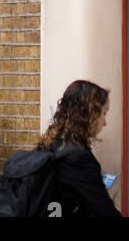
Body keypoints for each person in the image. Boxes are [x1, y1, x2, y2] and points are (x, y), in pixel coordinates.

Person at [36, 79, 121, 217]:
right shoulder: (77, 158)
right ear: (89, 114)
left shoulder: (51, 142)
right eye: (104, 113)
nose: (105, 123)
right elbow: (104, 210)